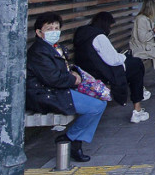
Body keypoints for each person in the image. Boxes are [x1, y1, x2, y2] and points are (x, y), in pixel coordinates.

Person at [26, 12, 107, 162]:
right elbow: (53, 79)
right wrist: (74, 80)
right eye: (49, 29)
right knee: (96, 106)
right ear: (39, 32)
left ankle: (75, 141)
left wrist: (74, 73)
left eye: (57, 28)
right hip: (45, 95)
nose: (54, 31)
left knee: (100, 102)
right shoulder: (38, 52)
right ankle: (70, 139)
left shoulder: (54, 48)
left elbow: (63, 70)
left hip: (57, 90)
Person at [74, 12, 151, 123]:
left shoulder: (82, 32)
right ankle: (137, 108)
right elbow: (113, 60)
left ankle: (140, 91)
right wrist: (123, 57)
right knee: (136, 65)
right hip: (102, 73)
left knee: (133, 64)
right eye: (110, 26)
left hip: (87, 71)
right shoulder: (99, 37)